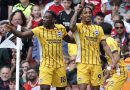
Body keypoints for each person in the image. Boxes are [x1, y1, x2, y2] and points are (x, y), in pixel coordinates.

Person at [4, 10, 74, 90]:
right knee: (44, 88)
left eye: (47, 17)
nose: (44, 19)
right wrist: (12, 29)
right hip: (46, 65)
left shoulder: (61, 28)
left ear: (53, 20)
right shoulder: (39, 30)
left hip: (59, 65)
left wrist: (79, 41)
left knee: (61, 88)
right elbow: (22, 34)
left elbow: (69, 39)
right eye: (44, 17)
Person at [70, 4, 115, 90]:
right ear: (81, 16)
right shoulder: (78, 27)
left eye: (89, 13)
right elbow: (71, 26)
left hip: (96, 63)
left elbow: (105, 45)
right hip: (82, 63)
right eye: (85, 13)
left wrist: (112, 58)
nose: (88, 14)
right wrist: (76, 11)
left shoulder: (98, 28)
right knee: (82, 88)